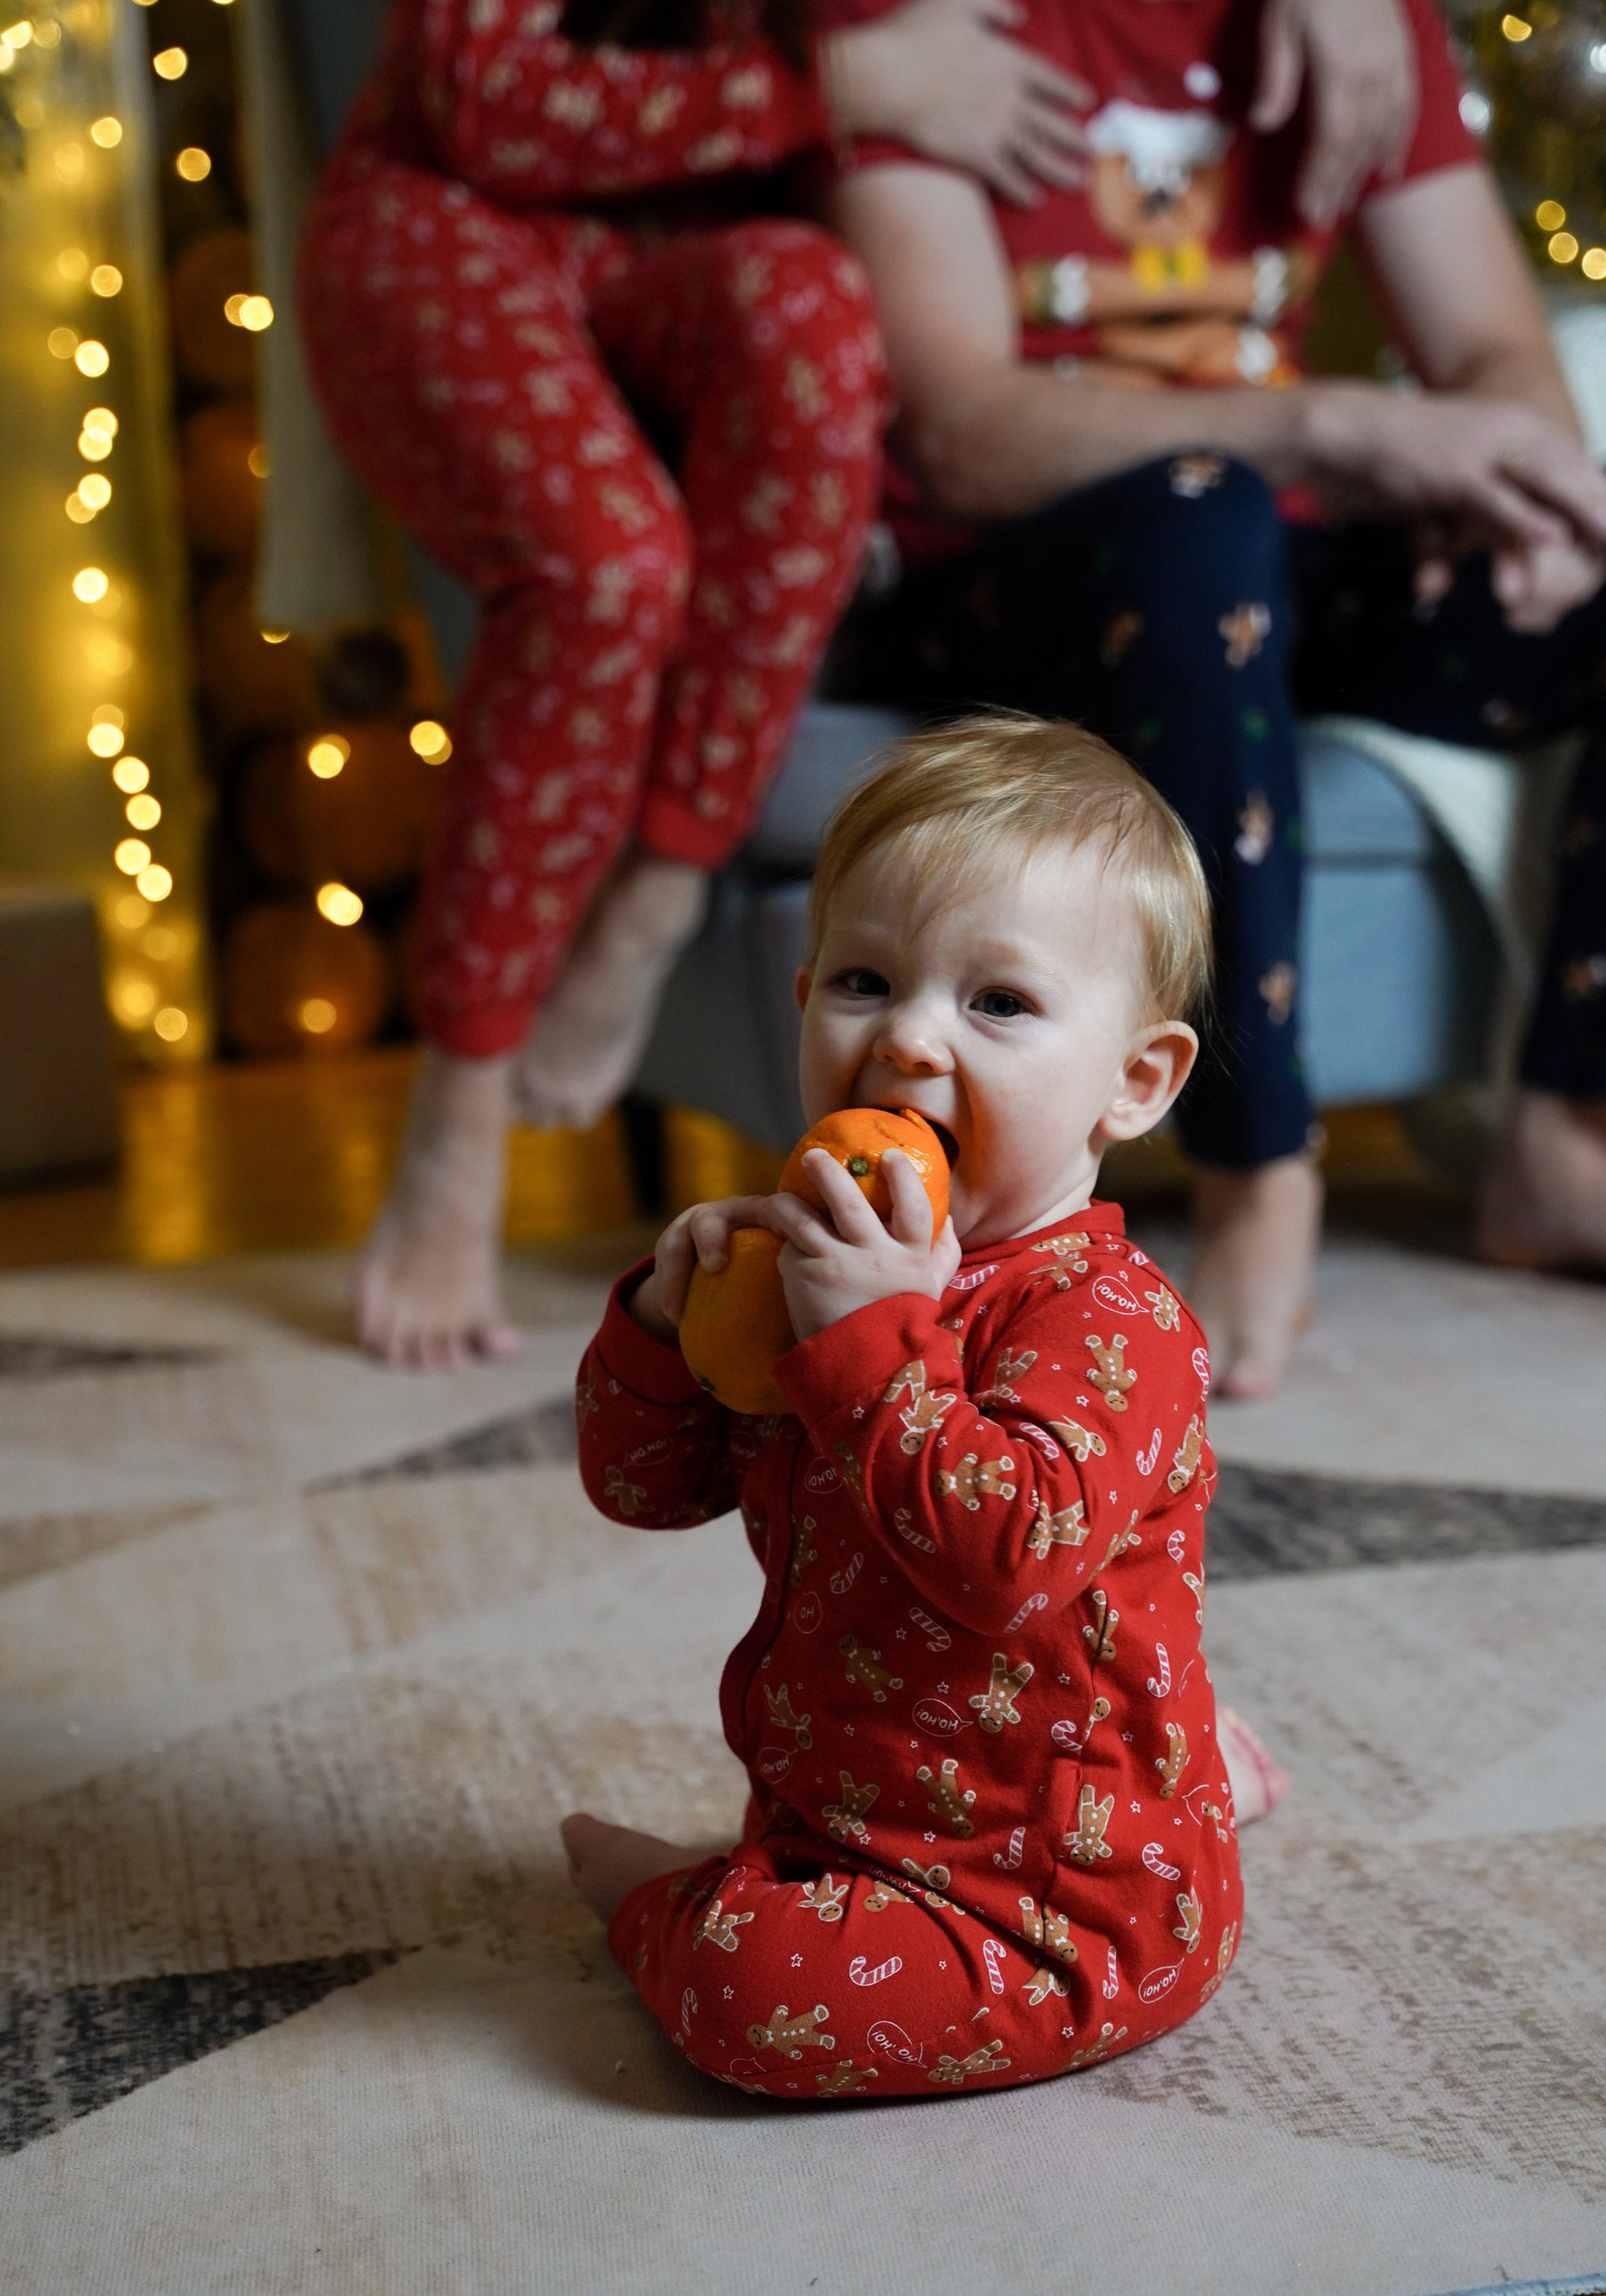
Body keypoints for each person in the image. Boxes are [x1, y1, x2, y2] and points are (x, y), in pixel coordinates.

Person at [301, 0, 1419, 1371]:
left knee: (817, 315)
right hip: (455, 211)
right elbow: (478, 97)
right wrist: (839, 82)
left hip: (692, 239)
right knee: (613, 571)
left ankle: (661, 889)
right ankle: (461, 1099)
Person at [816, 0, 1606, 1396]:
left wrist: (1526, 493)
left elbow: (1496, 351)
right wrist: (1342, 424)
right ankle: (1256, 1169)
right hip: (1007, 584)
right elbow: (962, 435)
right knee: (1206, 517)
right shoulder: (923, 25)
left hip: (1265, 570)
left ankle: (1569, 1140)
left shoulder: (1362, 22)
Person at [564, 716, 1285, 2102]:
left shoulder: (1110, 1321)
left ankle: (668, 1901)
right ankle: (1192, 1758)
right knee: (792, 1923)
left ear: (1133, 1082)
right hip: (847, 1813)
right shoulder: (817, 1270)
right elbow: (642, 1489)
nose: (905, 1038)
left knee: (745, 1993)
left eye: (997, 1003)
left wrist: (874, 1342)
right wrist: (666, 1328)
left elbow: (1007, 1561)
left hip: (1053, 1903)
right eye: (864, 980)